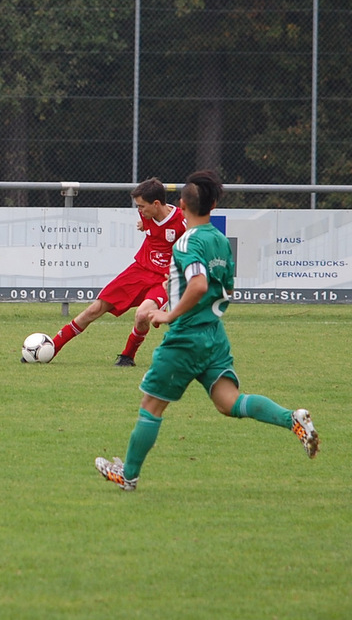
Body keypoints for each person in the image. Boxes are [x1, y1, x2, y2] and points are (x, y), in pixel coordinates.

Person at [95, 170, 319, 491]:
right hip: (214, 334)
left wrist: (169, 313)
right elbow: (226, 287)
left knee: (151, 407)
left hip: (186, 337)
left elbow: (198, 284)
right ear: (212, 205)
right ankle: (292, 419)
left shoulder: (188, 241)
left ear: (182, 205)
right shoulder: (220, 240)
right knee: (230, 403)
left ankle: (127, 476)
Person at [47, 177, 187, 366]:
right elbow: (150, 227)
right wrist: (143, 225)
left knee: (142, 315)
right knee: (95, 308)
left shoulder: (182, 222)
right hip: (140, 270)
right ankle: (51, 347)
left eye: (141, 206)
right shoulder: (146, 215)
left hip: (165, 278)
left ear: (156, 204)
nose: (139, 211)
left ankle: (128, 356)